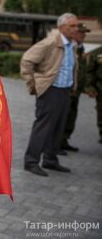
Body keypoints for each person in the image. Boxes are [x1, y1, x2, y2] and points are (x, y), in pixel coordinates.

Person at [21, 13, 78, 177]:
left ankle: (50, 160)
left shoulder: (71, 44)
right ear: (61, 28)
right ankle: (31, 162)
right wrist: (33, 83)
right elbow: (27, 60)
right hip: (50, 91)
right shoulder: (50, 42)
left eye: (76, 26)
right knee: (43, 127)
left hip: (65, 91)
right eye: (72, 26)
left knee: (58, 127)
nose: (75, 29)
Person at [62, 23, 91, 151]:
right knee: (63, 116)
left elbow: (82, 70)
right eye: (81, 32)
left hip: (76, 90)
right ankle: (57, 143)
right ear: (75, 33)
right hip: (67, 89)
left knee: (71, 115)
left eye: (85, 33)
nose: (84, 35)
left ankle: (64, 140)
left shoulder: (81, 48)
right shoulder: (69, 46)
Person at [85, 39, 102, 144]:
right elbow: (89, 72)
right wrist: (90, 87)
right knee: (101, 112)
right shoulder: (97, 53)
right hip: (101, 88)